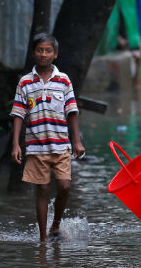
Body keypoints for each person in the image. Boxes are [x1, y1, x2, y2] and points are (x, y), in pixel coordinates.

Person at [10, 32, 85, 242]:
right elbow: (18, 114)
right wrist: (16, 144)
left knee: (64, 186)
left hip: (61, 144)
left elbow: (72, 111)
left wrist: (76, 140)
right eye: (40, 50)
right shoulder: (25, 82)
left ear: (55, 54)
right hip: (35, 146)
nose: (43, 54)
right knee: (42, 189)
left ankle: (56, 225)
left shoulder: (63, 80)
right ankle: (43, 239)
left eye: (48, 50)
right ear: (34, 53)